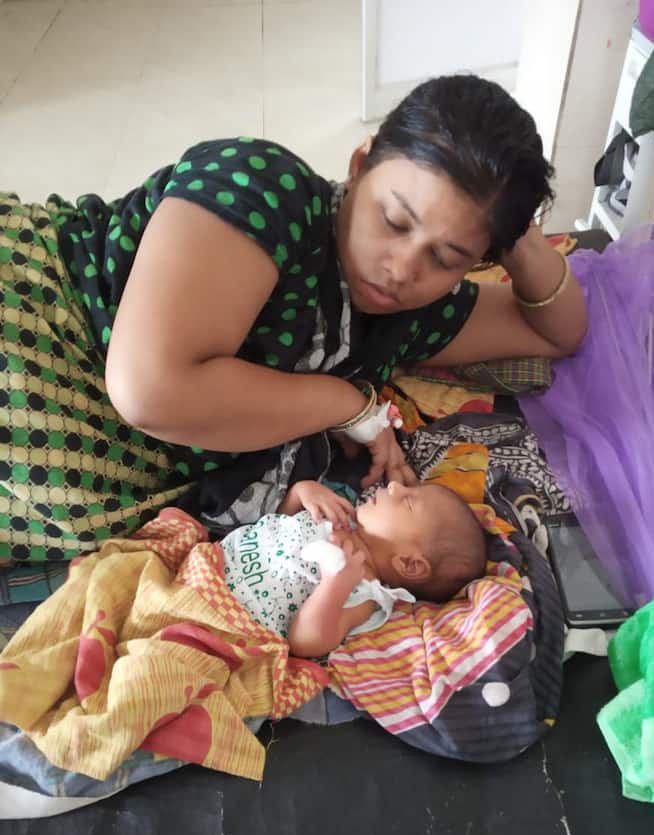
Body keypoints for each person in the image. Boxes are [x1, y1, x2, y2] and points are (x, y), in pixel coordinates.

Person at [0, 74, 588, 565]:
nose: (401, 268)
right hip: (37, 316)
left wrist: (515, 235)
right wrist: (344, 403)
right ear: (360, 164)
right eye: (394, 219)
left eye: (446, 256)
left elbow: (555, 332)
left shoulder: (415, 311)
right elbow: (151, 391)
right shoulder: (262, 186)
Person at [221, 478, 488, 658]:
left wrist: (333, 587)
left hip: (227, 622)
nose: (394, 486)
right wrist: (301, 492)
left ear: (409, 563)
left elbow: (306, 643)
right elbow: (277, 524)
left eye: (407, 502)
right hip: (207, 564)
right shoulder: (340, 514)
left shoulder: (364, 592)